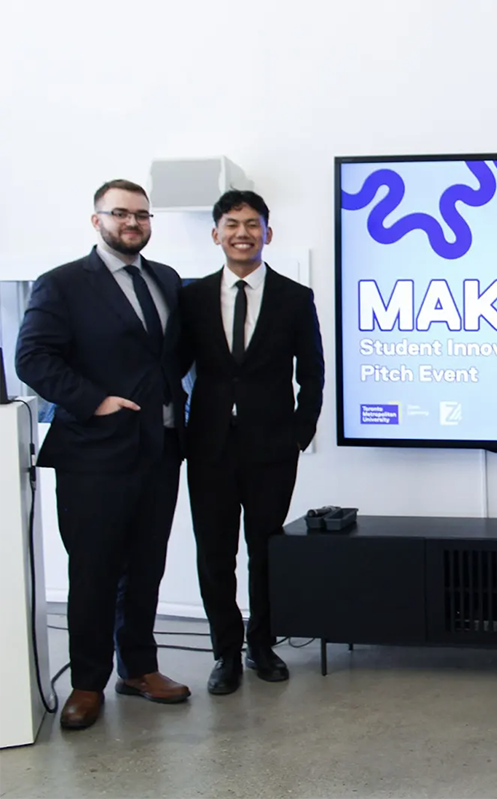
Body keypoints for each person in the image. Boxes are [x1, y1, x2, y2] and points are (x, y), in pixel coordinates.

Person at [16, 179, 191, 730]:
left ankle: (138, 668)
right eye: (120, 214)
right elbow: (33, 359)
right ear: (97, 221)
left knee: (146, 567)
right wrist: (96, 402)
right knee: (93, 571)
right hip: (93, 453)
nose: (132, 222)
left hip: (160, 449)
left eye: (141, 214)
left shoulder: (164, 279)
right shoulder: (63, 284)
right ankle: (87, 683)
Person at [179, 190, 324, 694]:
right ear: (216, 233)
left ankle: (262, 645)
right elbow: (171, 370)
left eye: (252, 223)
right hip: (209, 448)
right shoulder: (192, 298)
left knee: (265, 552)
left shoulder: (293, 297)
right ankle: (225, 652)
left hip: (271, 450)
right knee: (214, 554)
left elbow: (313, 374)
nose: (242, 232)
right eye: (232, 223)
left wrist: (299, 435)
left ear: (268, 232)